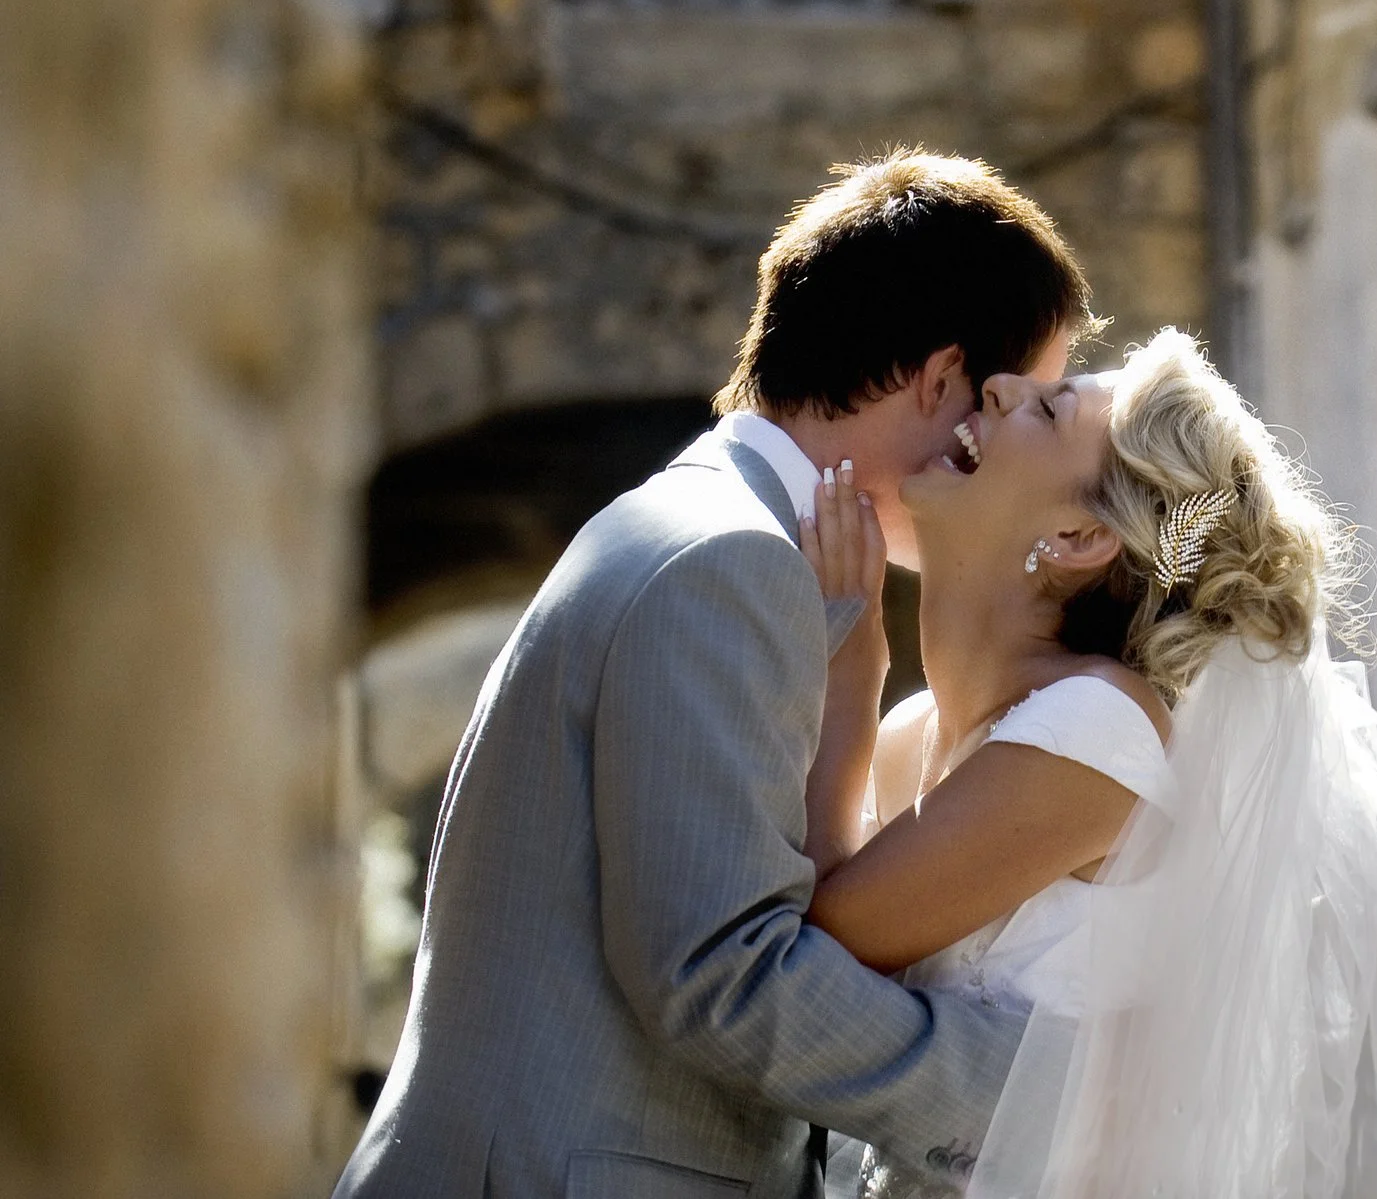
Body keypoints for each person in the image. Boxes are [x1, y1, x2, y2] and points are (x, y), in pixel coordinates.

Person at [335, 151, 1092, 1198]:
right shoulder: (727, 559)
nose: (1005, 436)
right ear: (937, 379)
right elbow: (720, 975)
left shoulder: (719, 537)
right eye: (1014, 397)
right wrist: (1058, 1097)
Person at [797, 328, 1377, 1199]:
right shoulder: (915, 733)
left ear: (1075, 535)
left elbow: (817, 941)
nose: (998, 389)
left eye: (1051, 407)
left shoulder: (1096, 730)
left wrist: (849, 656)